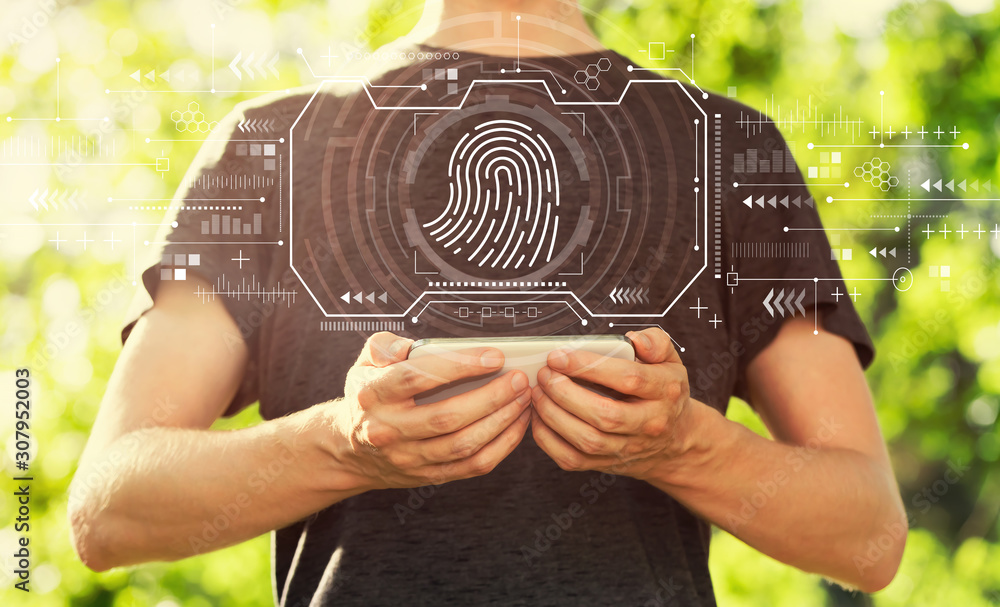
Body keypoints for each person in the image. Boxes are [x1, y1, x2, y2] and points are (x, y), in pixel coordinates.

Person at [69, 0, 907, 604]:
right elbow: (108, 508)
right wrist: (342, 443)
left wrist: (685, 446)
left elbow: (869, 535)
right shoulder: (269, 151)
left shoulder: (730, 152)